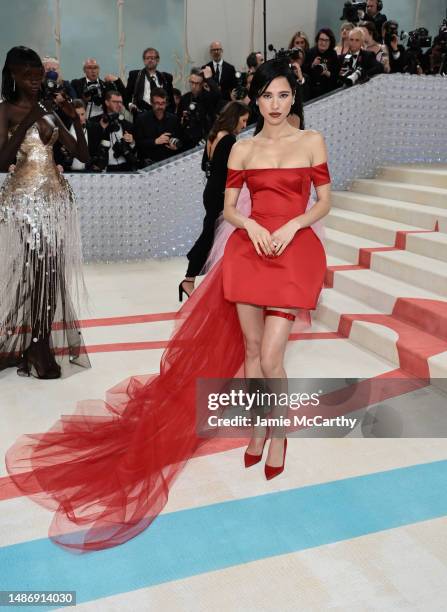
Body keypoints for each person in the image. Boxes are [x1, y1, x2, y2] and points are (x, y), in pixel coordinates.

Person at [5, 59, 331, 552]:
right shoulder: (243, 148)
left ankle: (277, 433)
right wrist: (255, 227)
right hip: (250, 250)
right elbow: (226, 210)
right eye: (267, 96)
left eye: (284, 95)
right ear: (256, 100)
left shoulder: (312, 142)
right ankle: (259, 432)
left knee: (271, 358)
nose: (277, 104)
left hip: (293, 250)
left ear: (293, 97)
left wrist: (289, 227)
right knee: (249, 352)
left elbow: (323, 202)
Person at [0, 46, 91, 378]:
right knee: (35, 273)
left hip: (54, 203)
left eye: (38, 75)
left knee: (51, 275)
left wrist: (75, 119)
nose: (35, 80)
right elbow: (2, 159)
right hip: (23, 204)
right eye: (28, 75)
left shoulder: (49, 111)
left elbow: (80, 153)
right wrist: (29, 118)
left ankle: (40, 343)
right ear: (12, 75)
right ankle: (36, 346)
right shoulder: (7, 110)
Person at [179, 101, 250, 299]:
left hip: (211, 190)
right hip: (221, 193)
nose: (244, 125)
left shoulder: (213, 137)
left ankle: (196, 277)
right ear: (234, 118)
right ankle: (189, 278)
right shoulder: (229, 140)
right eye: (243, 121)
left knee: (211, 234)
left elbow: (205, 166)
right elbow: (232, 171)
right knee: (211, 236)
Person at [135, 87, 182, 165]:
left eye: (163, 103)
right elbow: (137, 143)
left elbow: (180, 138)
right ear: (151, 102)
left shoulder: (173, 119)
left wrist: (176, 146)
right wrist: (155, 141)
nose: (160, 106)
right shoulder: (141, 119)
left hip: (169, 163)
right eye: (157, 103)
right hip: (148, 164)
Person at [125, 47, 174, 114]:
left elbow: (171, 100)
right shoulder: (135, 75)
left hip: (161, 114)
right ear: (144, 60)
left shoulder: (166, 77)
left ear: (157, 60)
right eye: (147, 58)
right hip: (141, 113)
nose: (150, 60)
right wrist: (131, 106)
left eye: (152, 58)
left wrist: (168, 114)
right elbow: (126, 96)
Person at [303, 28, 340, 99]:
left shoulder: (333, 54)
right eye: (321, 39)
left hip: (327, 92)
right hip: (311, 92)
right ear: (317, 40)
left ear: (330, 42)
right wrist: (312, 65)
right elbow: (303, 72)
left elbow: (336, 76)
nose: (323, 43)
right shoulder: (309, 52)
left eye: (326, 40)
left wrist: (326, 73)